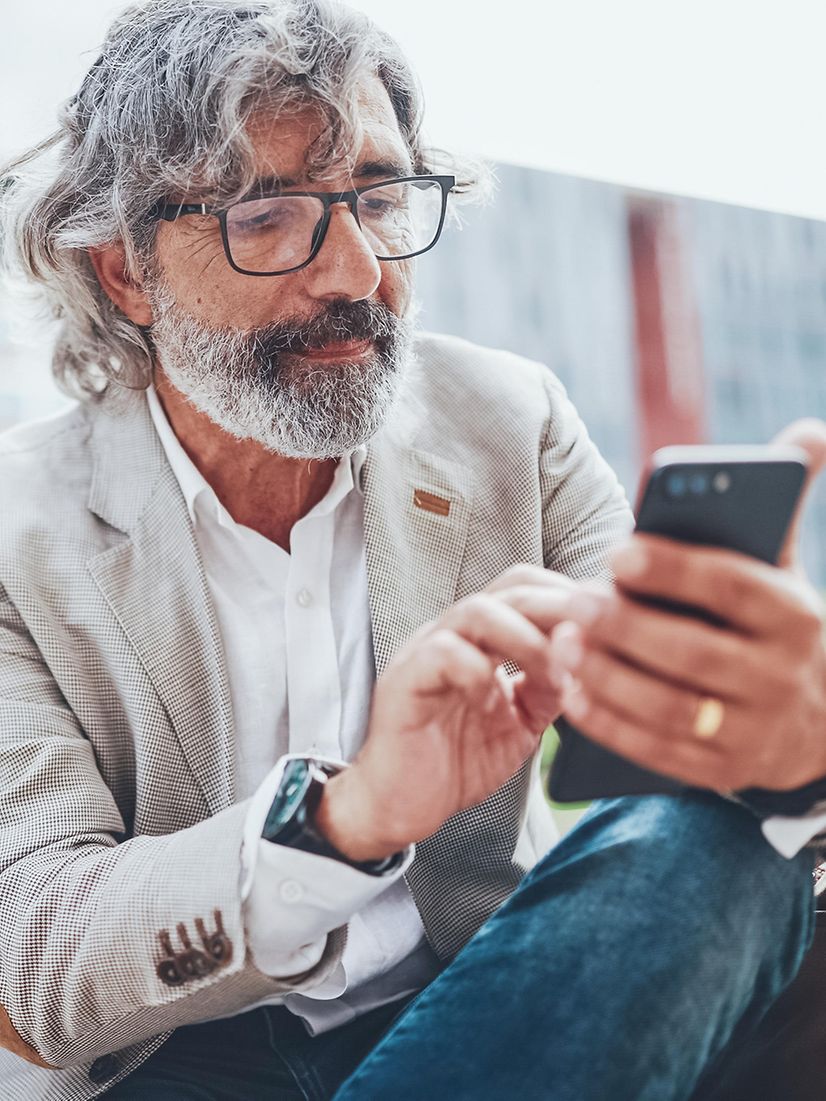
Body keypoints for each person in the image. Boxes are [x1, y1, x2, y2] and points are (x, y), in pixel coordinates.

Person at [0, 2, 825, 1098]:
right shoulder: (19, 530)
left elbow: (662, 746)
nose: (352, 270)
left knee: (737, 845)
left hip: (478, 996)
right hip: (178, 1053)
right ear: (124, 273)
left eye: (379, 198)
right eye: (267, 213)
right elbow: (34, 963)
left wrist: (785, 738)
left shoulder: (507, 418)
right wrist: (347, 819)